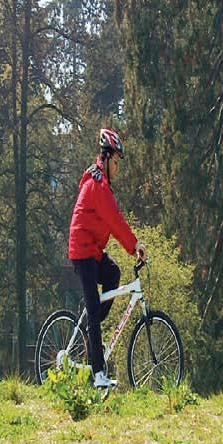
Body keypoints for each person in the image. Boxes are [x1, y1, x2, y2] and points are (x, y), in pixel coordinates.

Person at [68, 128, 147, 388]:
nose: (118, 168)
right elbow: (115, 220)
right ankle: (98, 374)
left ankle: (93, 328)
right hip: (82, 252)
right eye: (116, 162)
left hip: (93, 251)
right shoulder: (98, 185)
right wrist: (134, 245)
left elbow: (111, 221)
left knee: (113, 274)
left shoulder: (99, 182)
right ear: (105, 158)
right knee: (93, 309)